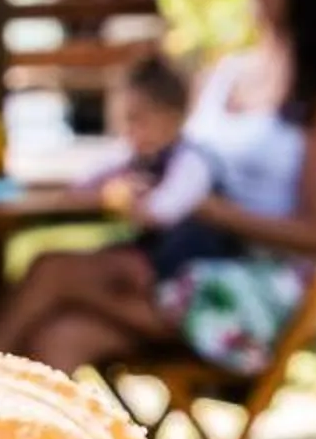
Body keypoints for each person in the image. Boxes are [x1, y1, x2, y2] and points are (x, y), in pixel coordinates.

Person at [0, 0, 316, 378]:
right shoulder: (226, 74)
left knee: (52, 271)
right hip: (182, 256)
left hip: (247, 289)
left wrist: (209, 210)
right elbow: (175, 160)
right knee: (59, 338)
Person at [101, 53, 241, 282]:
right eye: (125, 121)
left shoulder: (193, 162)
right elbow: (89, 178)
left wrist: (131, 200)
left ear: (173, 117)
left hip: (193, 267)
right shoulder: (143, 157)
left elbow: (162, 212)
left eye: (138, 120)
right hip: (162, 256)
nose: (130, 131)